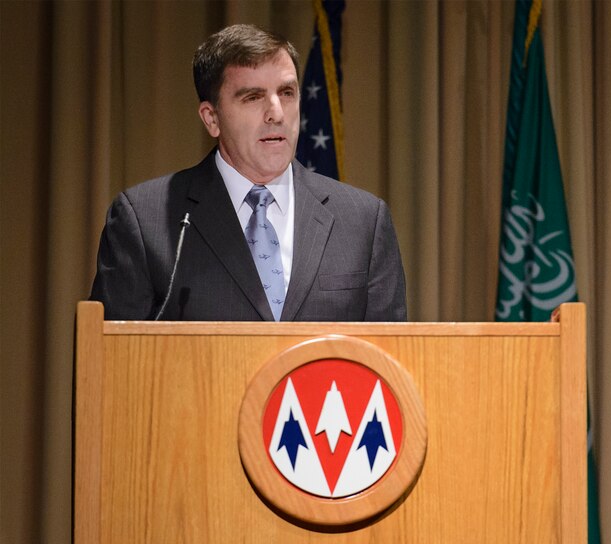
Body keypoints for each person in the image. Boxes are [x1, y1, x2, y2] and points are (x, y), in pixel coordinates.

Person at [90, 24, 406, 322]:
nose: (276, 113)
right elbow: (111, 366)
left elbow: (390, 364)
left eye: (287, 93)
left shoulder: (363, 222)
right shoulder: (145, 221)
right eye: (253, 97)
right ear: (211, 118)